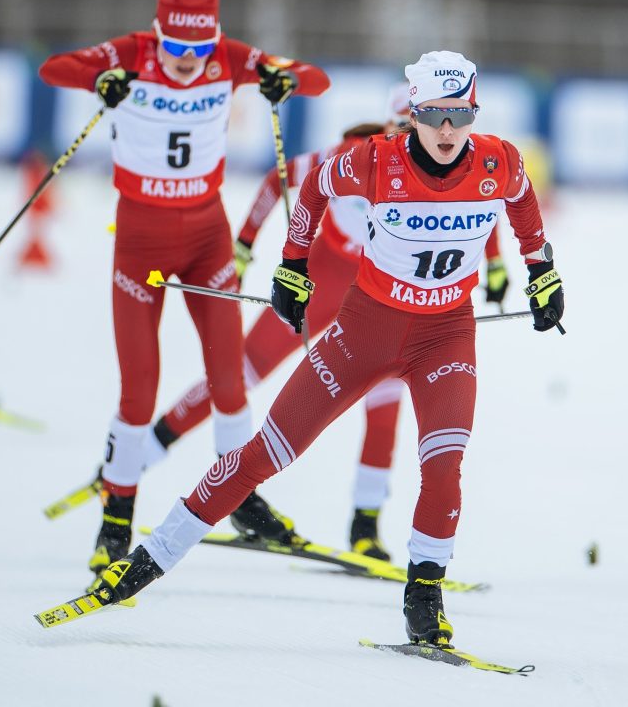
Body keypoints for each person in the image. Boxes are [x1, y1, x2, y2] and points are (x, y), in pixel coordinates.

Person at [83, 50, 565, 647]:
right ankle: (152, 556)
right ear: (412, 112)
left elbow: (519, 200)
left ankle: (424, 596)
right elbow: (311, 187)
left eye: (459, 113)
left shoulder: (499, 159)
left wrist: (542, 270)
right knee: (267, 453)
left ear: (475, 111)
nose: (447, 130)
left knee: (444, 463)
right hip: (364, 330)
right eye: (434, 114)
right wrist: (291, 265)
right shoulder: (373, 159)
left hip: (445, 335)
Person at [142, 84, 510, 561]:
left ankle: (364, 528)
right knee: (238, 373)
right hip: (323, 285)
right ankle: (146, 448)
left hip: (384, 306)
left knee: (384, 408)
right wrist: (248, 244)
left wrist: (497, 264)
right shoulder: (359, 156)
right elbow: (282, 180)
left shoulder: (451, 168)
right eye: (404, 125)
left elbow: (479, 206)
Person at [38, 0, 330, 574]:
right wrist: (102, 78)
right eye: (177, 49)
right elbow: (53, 68)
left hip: (206, 239)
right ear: (160, 33)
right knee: (139, 388)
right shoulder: (133, 52)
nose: (188, 62)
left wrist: (284, 78)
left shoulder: (228, 57)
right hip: (140, 245)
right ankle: (116, 519)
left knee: (229, 378)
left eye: (198, 51)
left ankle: (240, 497)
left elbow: (314, 78)